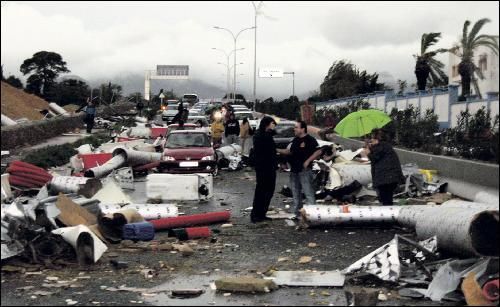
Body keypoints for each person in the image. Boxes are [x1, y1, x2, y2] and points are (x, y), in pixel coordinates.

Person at [278, 121, 323, 219]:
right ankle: (298, 213)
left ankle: (313, 214)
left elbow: (318, 151)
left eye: (296, 127)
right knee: (296, 193)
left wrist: (308, 161)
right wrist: (277, 150)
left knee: (308, 193)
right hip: (294, 170)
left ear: (303, 129)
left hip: (305, 171)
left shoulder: (310, 140)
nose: (294, 129)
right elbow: (289, 151)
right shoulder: (294, 140)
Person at [362, 128, 404, 205]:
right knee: (385, 199)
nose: (371, 140)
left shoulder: (382, 146)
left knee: (386, 199)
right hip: (389, 178)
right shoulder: (384, 146)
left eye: (372, 138)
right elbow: (377, 153)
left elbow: (374, 158)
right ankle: (388, 213)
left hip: (387, 178)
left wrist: (368, 153)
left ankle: (388, 215)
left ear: (378, 139)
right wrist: (369, 147)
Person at [250, 116, 278, 223]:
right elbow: (268, 151)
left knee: (266, 191)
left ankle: (261, 213)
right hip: (265, 167)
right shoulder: (262, 136)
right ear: (267, 124)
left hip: (266, 166)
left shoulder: (262, 135)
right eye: (272, 123)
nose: (273, 126)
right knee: (263, 191)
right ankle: (257, 214)